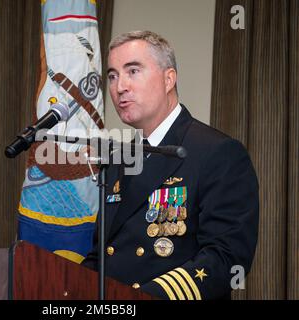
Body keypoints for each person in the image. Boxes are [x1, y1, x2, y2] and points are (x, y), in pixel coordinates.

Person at [81, 30, 259, 300]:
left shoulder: (217, 152)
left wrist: (138, 299)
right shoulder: (120, 159)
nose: (119, 87)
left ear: (168, 79)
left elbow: (226, 259)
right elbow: (102, 255)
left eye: (133, 71)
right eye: (113, 75)